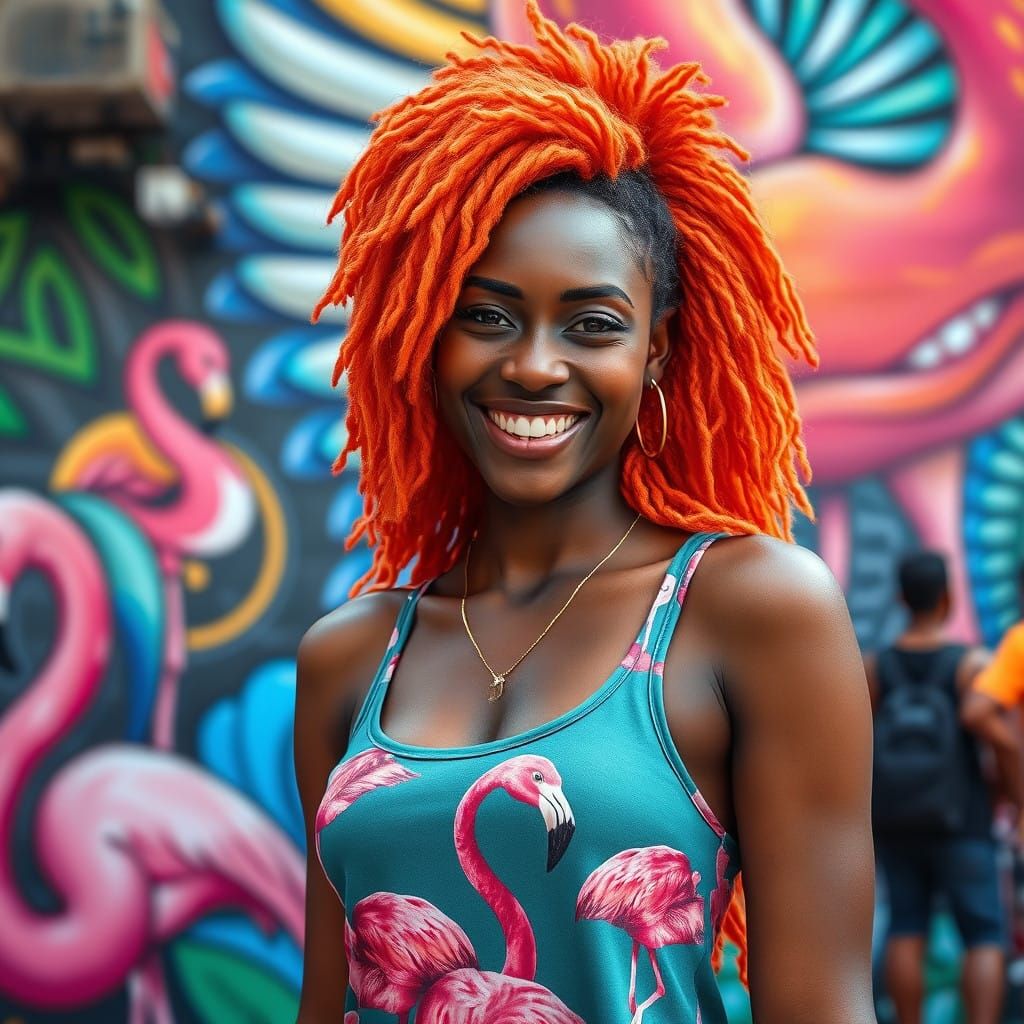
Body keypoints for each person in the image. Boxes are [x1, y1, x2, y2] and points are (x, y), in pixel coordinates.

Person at [293, 5, 876, 1023]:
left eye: (591, 323)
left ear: (654, 352)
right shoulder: (348, 656)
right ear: (423, 336)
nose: (531, 363)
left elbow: (821, 1004)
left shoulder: (750, 611)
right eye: (485, 314)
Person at [866, 552, 1017, 1024]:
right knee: (984, 932)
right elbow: (992, 738)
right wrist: (1010, 795)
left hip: (895, 817)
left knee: (906, 923)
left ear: (901, 598)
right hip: (963, 816)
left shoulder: (878, 666)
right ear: (948, 597)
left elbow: (863, 739)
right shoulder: (971, 664)